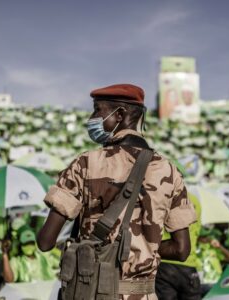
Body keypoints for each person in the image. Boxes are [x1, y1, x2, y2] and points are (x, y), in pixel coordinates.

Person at [37, 83, 197, 299]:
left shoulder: (86, 163)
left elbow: (45, 241)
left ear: (119, 114)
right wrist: (142, 247)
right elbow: (181, 250)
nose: (92, 117)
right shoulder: (169, 171)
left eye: (97, 109)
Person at [156, 192, 201, 300]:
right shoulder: (195, 200)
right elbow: (197, 230)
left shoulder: (164, 195)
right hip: (189, 263)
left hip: (166, 261)